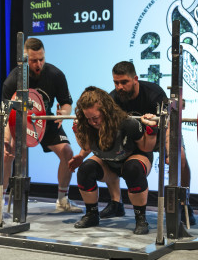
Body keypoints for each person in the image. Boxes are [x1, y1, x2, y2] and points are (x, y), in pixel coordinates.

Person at [0, 38, 81, 216]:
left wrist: (62, 113)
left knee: (67, 153)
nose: (38, 64)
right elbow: (6, 115)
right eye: (33, 60)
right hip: (18, 122)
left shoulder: (55, 75)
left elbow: (66, 103)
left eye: (41, 59)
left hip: (44, 120)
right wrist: (7, 141)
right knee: (7, 155)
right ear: (24, 60)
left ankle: (62, 200)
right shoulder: (12, 81)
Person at [97, 61, 196, 225]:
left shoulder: (153, 93)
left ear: (135, 79)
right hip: (135, 137)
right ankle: (116, 203)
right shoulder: (113, 98)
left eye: (124, 82)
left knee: (181, 159)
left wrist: (170, 151)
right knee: (111, 152)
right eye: (116, 82)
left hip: (160, 131)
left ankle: (184, 204)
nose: (119, 87)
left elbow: (169, 124)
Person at [68, 86, 158, 234]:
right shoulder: (87, 124)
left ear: (106, 111)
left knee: (132, 169)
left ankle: (141, 219)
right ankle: (92, 215)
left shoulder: (127, 123)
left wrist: (152, 131)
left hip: (135, 158)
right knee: (85, 170)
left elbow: (146, 147)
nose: (93, 122)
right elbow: (86, 145)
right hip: (109, 162)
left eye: (95, 118)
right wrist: (80, 155)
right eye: (88, 119)